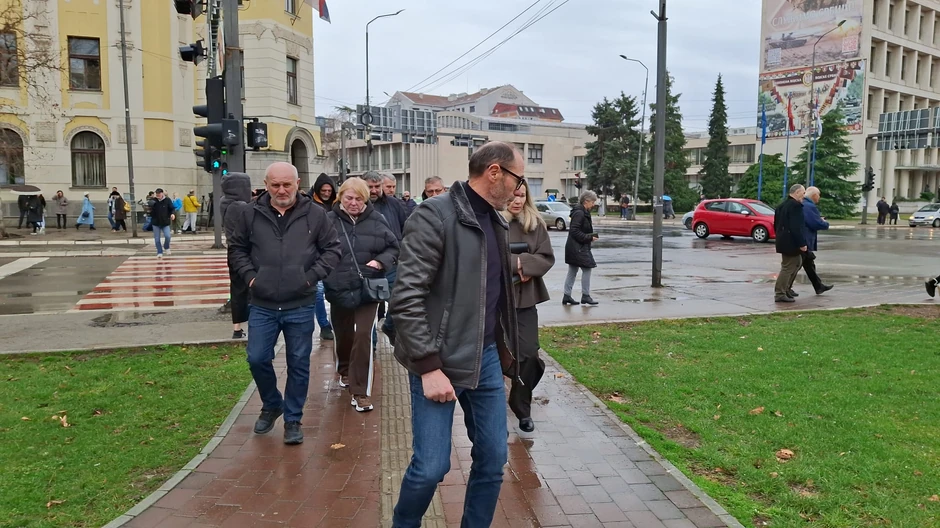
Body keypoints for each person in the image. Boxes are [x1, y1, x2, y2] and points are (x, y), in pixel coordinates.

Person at [391, 141, 522, 527]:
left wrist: (506, 353)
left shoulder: (496, 220)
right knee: (431, 467)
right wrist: (429, 367)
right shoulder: (434, 214)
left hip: (484, 358)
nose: (519, 190)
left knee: (493, 458)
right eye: (517, 178)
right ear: (495, 172)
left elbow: (494, 297)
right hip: (439, 359)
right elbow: (406, 297)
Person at [228, 162, 342, 445]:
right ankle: (272, 403)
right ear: (266, 185)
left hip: (300, 303)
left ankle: (293, 419)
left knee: (299, 363)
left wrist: (309, 278)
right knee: (256, 358)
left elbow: (332, 250)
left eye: (287, 184)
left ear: (298, 183)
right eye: (275, 185)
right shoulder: (249, 214)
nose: (281, 190)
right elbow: (237, 248)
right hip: (263, 303)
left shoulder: (315, 215)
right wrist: (251, 278)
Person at [324, 178, 399, 412]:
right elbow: (316, 248)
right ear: (340, 198)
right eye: (349, 198)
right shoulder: (328, 221)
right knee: (344, 334)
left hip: (368, 287)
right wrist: (326, 270)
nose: (354, 203)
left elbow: (394, 247)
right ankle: (344, 368)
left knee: (364, 335)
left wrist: (380, 261)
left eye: (359, 198)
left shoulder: (377, 219)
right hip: (339, 286)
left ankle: (360, 391)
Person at [503, 180, 554, 433]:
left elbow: (546, 257)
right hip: (495, 300)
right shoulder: (491, 222)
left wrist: (524, 265)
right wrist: (519, 264)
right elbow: (483, 256)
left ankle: (520, 403)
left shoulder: (535, 224)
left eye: (522, 195)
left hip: (524, 299)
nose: (517, 200)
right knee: (496, 356)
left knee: (529, 354)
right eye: (513, 195)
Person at [362, 171, 408, 343]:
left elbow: (406, 227)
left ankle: (389, 326)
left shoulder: (394, 204)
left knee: (400, 301)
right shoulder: (359, 205)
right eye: (370, 187)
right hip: (368, 266)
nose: (374, 190)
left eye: (377, 186)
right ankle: (371, 346)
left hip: (393, 264)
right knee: (369, 311)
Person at [222, 173, 253, 339]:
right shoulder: (240, 206)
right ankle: (247, 324)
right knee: (248, 288)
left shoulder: (225, 202)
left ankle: (237, 328)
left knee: (236, 289)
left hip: (232, 250)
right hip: (244, 251)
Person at [310, 172, 337, 341]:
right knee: (318, 293)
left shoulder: (337, 205)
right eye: (323, 190)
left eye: (329, 190)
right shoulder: (309, 204)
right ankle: (324, 325)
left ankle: (335, 323)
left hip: (334, 254)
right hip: (315, 256)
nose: (326, 193)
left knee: (335, 292)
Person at [562, 191, 599, 306]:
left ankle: (567, 296)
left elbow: (576, 230)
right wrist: (589, 238)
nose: (593, 205)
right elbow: (574, 231)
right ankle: (585, 295)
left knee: (572, 271)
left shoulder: (580, 211)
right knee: (587, 269)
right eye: (592, 202)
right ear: (586, 201)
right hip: (579, 247)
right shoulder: (580, 213)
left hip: (574, 247)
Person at [773, 184, 808, 303]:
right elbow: (796, 227)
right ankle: (780, 293)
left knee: (797, 262)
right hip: (791, 242)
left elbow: (776, 225)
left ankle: (786, 289)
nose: (804, 196)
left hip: (783, 240)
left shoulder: (781, 205)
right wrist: (802, 243)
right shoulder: (795, 206)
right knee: (788, 267)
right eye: (803, 193)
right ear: (797, 192)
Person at [800, 187, 833, 295]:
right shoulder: (809, 206)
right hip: (804, 241)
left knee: (809, 264)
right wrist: (824, 223)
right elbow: (814, 223)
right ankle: (784, 288)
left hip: (803, 240)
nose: (819, 197)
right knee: (794, 267)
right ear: (814, 195)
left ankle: (818, 286)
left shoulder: (804, 204)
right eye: (819, 195)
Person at [150, 189, 176, 257]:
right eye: (157, 193)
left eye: (159, 193)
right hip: (156, 222)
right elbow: (149, 210)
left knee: (168, 236)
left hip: (165, 222)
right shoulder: (153, 201)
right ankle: (159, 252)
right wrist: (150, 207)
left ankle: (166, 246)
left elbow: (172, 208)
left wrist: (172, 214)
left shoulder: (167, 200)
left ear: (162, 194)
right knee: (157, 238)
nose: (158, 195)